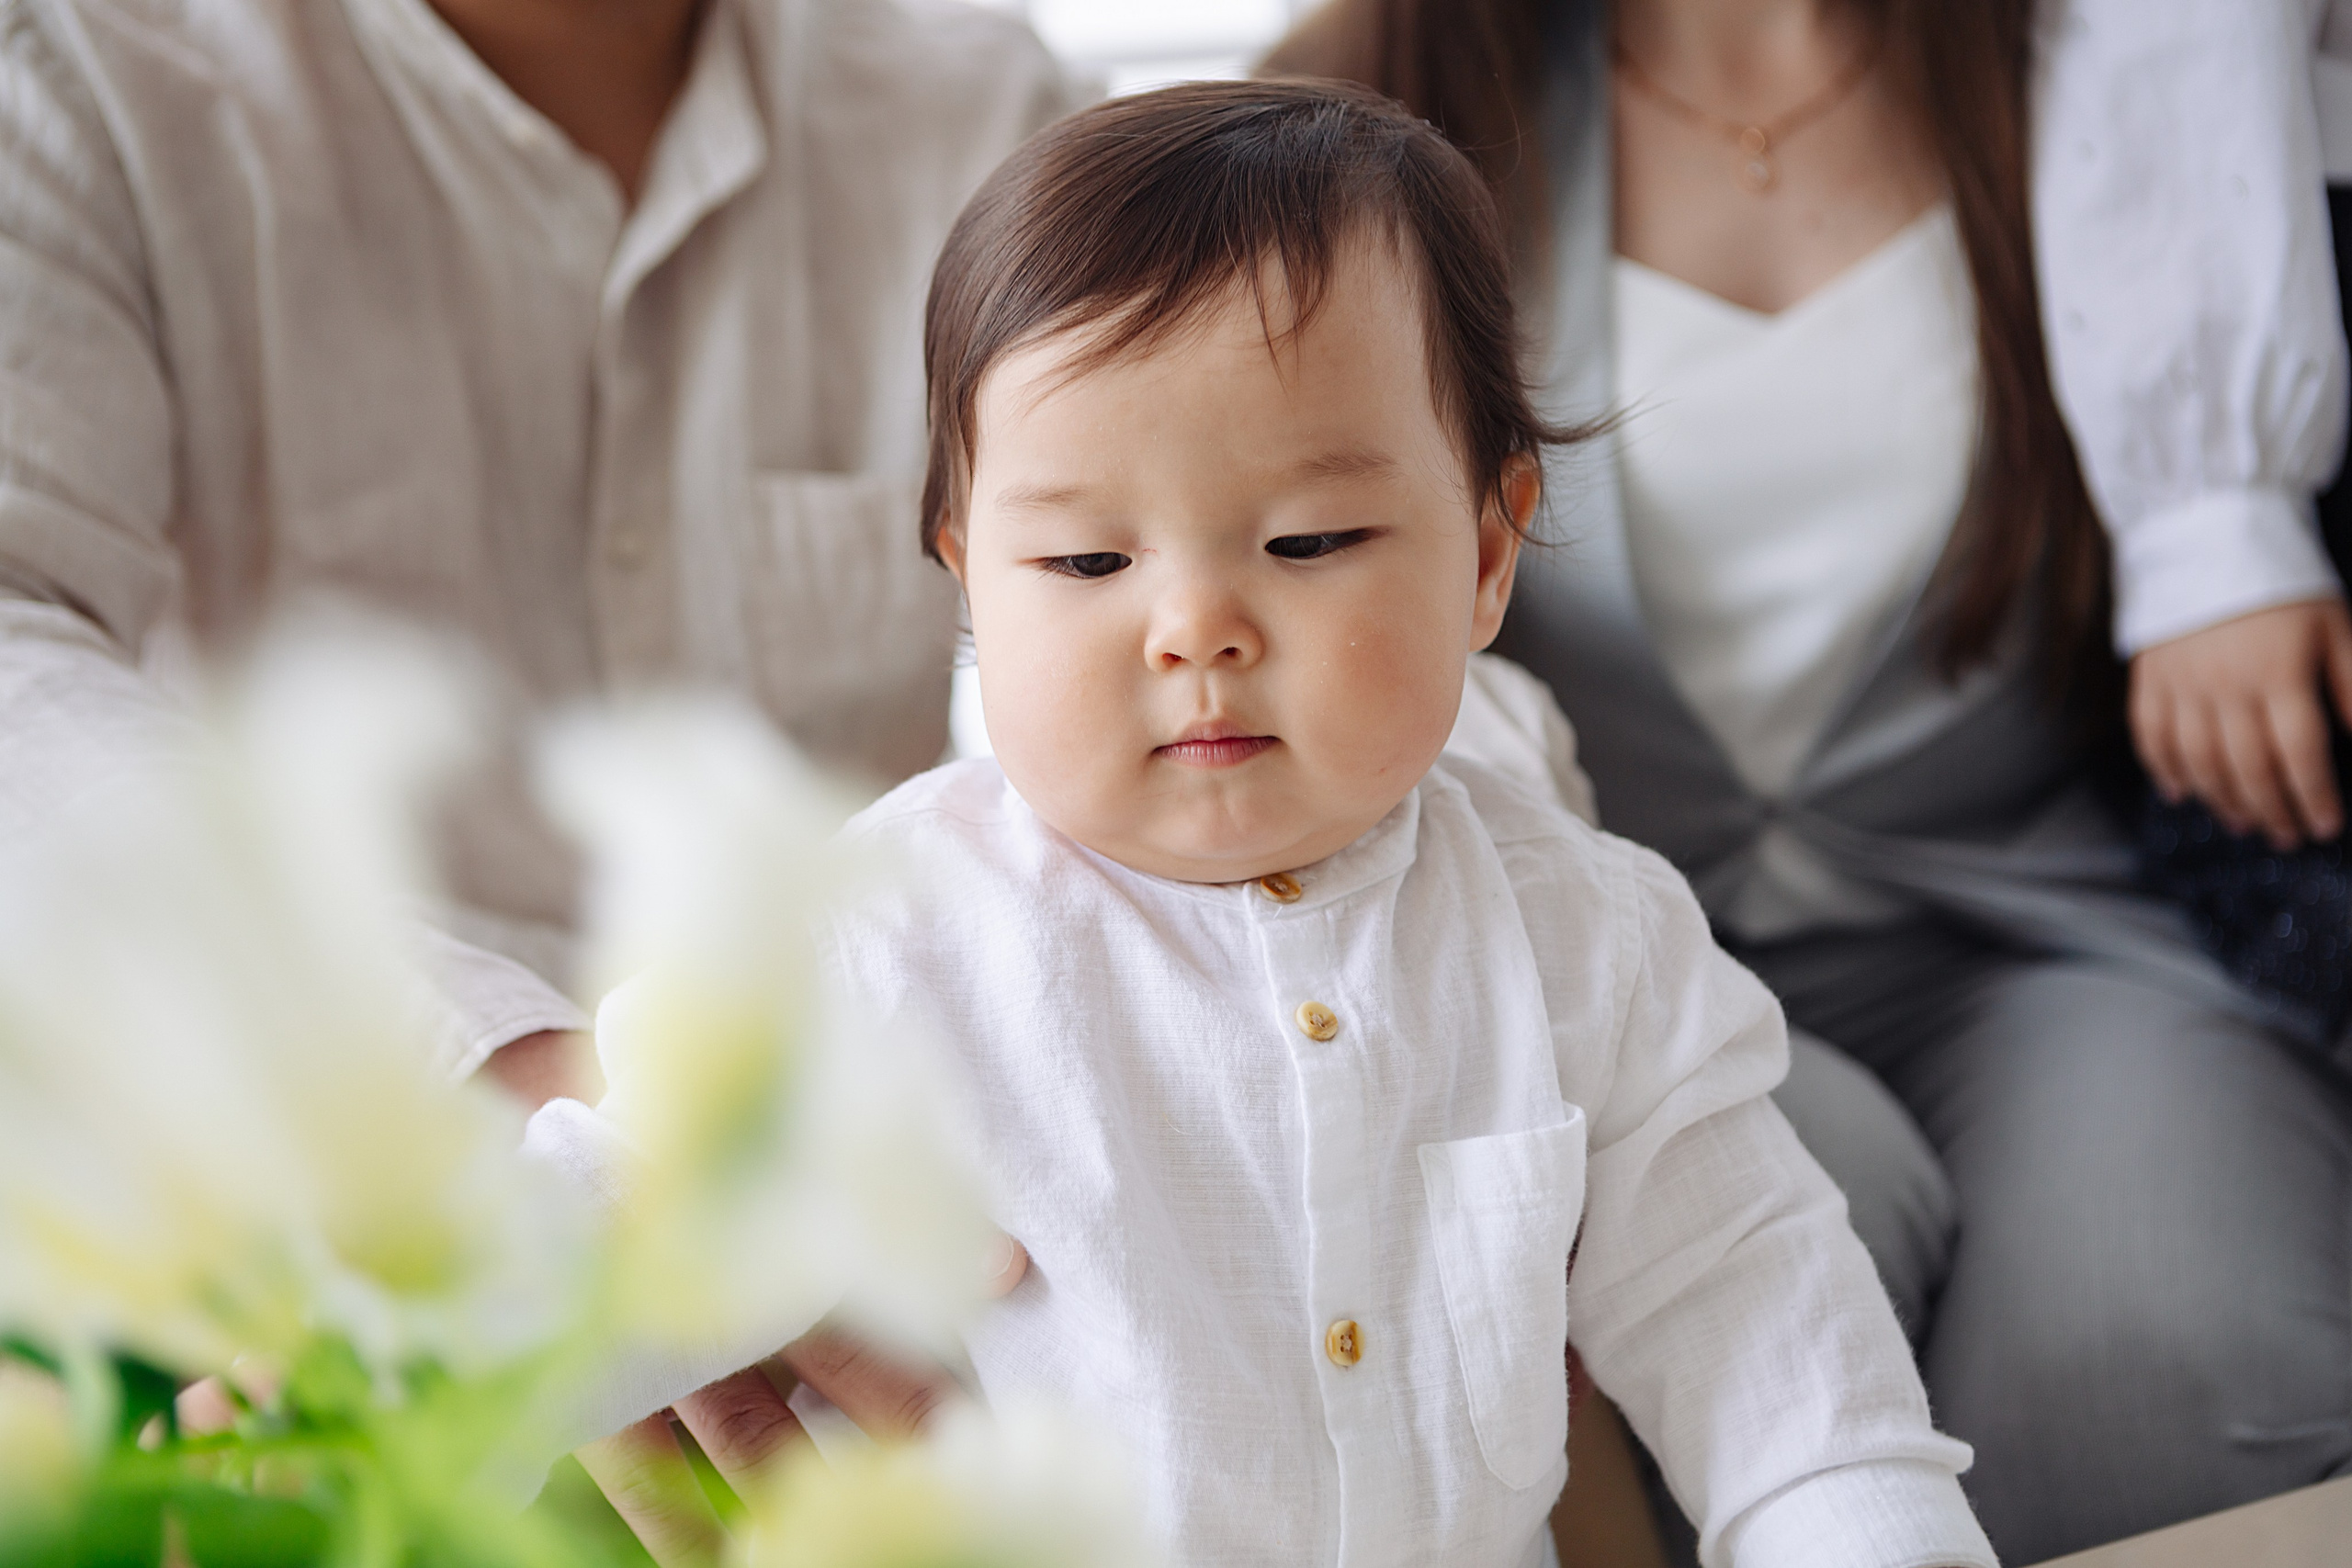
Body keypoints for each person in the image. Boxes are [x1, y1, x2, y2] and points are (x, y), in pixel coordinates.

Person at [747, 77, 1997, 1568]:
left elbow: (1778, 1357)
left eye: (1307, 542)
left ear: (1483, 556)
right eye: (1086, 561)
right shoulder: (876, 928)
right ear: (969, 580)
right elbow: (585, 1218)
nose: (1195, 628)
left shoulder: (1584, 936)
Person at [1266, 0, 2352, 1560]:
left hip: (2052, 934)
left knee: (2163, 1351)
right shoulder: (1353, 103)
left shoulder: (2131, 70)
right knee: (1762, 1261)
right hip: (1591, 971)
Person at [0, 0, 1074, 1546]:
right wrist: (526, 1113)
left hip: (864, 1300)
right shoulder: (84, 73)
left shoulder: (981, 102)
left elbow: (1287, 589)